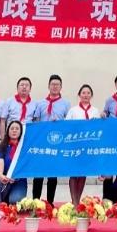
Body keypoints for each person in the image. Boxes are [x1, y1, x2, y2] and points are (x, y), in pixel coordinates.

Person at [32, 74, 70, 205]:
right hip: (42, 143)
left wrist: (59, 123)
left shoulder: (66, 103)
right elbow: (36, 121)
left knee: (53, 175)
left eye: (57, 85)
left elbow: (68, 124)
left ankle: (50, 203)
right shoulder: (40, 103)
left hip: (57, 143)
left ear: (61, 87)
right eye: (52, 84)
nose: (55, 87)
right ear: (48, 86)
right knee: (38, 174)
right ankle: (36, 202)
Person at [66, 84, 101, 205]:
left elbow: (98, 128)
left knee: (83, 173)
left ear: (91, 95)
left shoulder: (95, 111)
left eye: (88, 93)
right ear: (79, 95)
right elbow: (67, 127)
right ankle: (74, 201)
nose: (86, 95)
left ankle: (78, 199)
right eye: (83, 93)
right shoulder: (73, 110)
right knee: (73, 173)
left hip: (88, 147)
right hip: (75, 146)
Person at [0, 121, 27, 204]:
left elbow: (25, 165)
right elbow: (0, 161)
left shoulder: (24, 147)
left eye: (17, 129)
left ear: (21, 132)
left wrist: (16, 177)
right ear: (8, 131)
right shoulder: (2, 146)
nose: (14, 130)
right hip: (5, 177)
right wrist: (1, 175)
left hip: (19, 179)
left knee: (14, 200)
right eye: (12, 128)